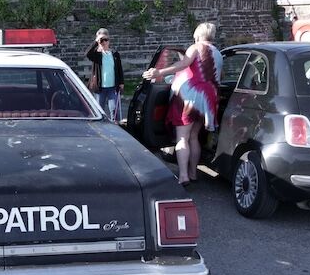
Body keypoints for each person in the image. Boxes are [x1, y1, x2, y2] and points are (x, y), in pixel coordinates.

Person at [143, 22, 222, 187]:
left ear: (197, 34)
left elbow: (183, 64)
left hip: (189, 97)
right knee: (194, 137)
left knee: (182, 138)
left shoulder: (195, 48)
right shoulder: (218, 53)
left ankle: (184, 175)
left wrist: (159, 72)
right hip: (208, 99)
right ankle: (193, 173)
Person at [85, 28, 124, 122]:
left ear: (109, 41)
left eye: (106, 39)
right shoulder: (96, 54)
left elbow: (119, 69)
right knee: (99, 110)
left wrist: (121, 82)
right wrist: (96, 41)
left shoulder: (114, 54)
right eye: (102, 40)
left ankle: (116, 128)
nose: (104, 42)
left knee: (114, 110)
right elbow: (87, 53)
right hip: (99, 88)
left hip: (112, 87)